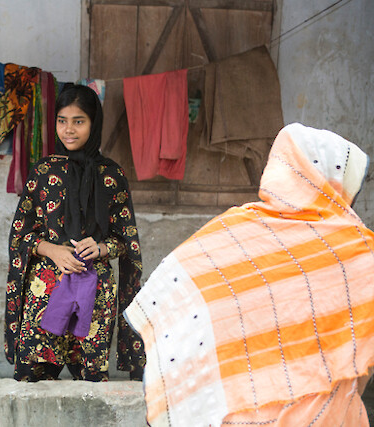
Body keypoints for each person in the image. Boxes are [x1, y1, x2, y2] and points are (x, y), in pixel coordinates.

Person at [125, 123, 374, 426]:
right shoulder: (357, 248)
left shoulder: (237, 228)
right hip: (325, 412)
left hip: (241, 410)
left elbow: (176, 289)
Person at [4, 85, 145, 382]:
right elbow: (20, 234)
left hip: (95, 294)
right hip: (45, 290)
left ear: (94, 124)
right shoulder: (43, 171)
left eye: (78, 121)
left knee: (90, 384)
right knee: (35, 381)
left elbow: (126, 240)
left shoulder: (112, 175)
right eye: (62, 120)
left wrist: (103, 248)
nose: (69, 130)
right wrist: (52, 250)